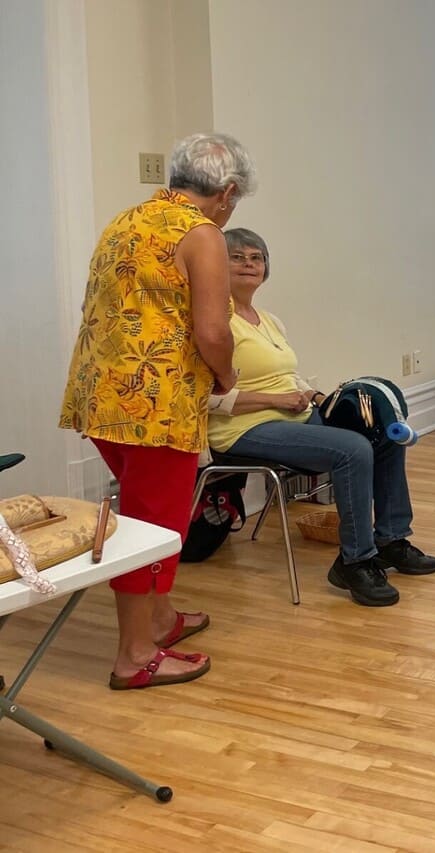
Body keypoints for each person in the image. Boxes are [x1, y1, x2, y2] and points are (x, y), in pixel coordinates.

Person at [59, 132, 253, 690]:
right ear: (227, 191)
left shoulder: (125, 221)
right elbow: (213, 331)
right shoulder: (201, 233)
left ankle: (161, 620)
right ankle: (134, 654)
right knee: (154, 526)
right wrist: (226, 376)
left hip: (101, 395)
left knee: (148, 513)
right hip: (157, 404)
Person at [207, 229, 435, 608]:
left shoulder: (268, 320)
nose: (249, 263)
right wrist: (278, 398)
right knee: (353, 449)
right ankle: (355, 561)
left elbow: (288, 375)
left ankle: (391, 539)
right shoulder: (214, 322)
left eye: (256, 257)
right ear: (217, 264)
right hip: (242, 428)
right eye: (236, 256)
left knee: (381, 434)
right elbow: (205, 400)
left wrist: (316, 396)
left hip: (292, 415)